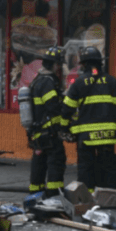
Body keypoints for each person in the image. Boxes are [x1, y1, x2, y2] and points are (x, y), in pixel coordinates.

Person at [61, 46, 116, 189]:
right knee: (109, 168)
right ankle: (109, 199)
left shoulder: (79, 83)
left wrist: (64, 127)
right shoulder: (111, 81)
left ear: (84, 64)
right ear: (100, 63)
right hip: (108, 135)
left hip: (86, 137)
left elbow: (67, 109)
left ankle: (89, 201)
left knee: (86, 168)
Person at [27, 46, 67, 198]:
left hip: (37, 132)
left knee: (39, 162)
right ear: (55, 64)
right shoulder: (48, 82)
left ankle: (35, 194)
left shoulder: (36, 81)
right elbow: (53, 107)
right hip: (49, 133)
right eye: (59, 64)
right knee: (56, 161)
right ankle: (54, 194)